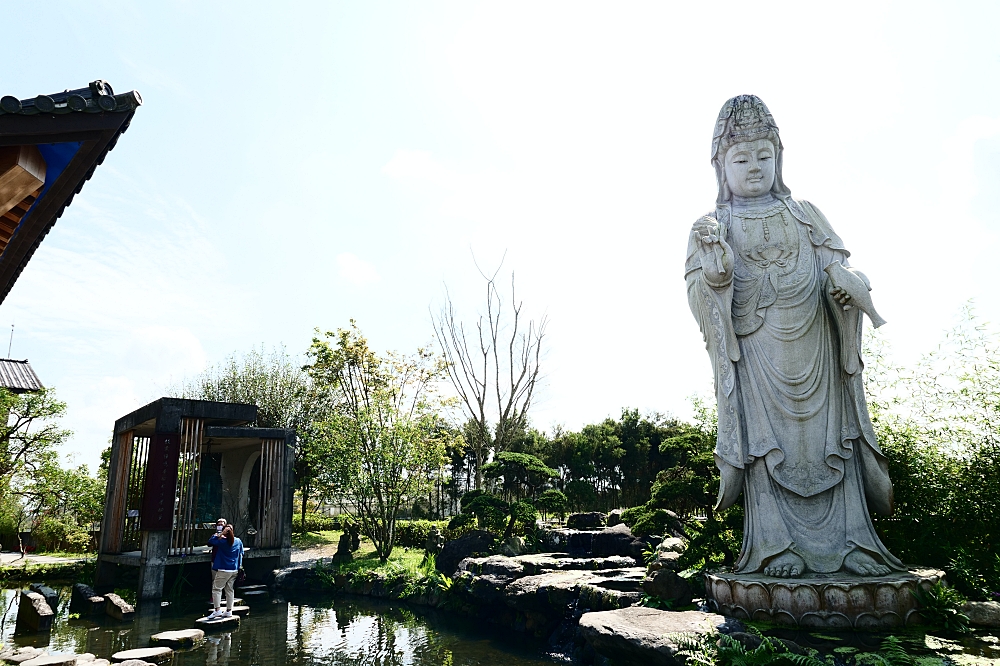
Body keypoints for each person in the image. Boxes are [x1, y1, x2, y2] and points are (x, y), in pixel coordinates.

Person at [684, 94, 905, 578]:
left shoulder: (805, 213)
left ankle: (852, 545)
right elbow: (702, 291)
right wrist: (715, 274)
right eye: (741, 158)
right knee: (767, 447)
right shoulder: (713, 225)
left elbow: (836, 266)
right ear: (721, 166)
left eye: (764, 155)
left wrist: (849, 286)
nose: (754, 167)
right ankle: (773, 548)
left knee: (834, 442)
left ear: (778, 157)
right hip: (758, 358)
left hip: (818, 349)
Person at [207, 520, 243, 618]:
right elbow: (241, 554)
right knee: (230, 590)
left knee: (216, 589)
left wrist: (220, 534)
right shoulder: (238, 541)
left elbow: (210, 541)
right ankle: (229, 611)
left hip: (223, 569)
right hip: (234, 569)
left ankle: (217, 610)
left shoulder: (222, 541)